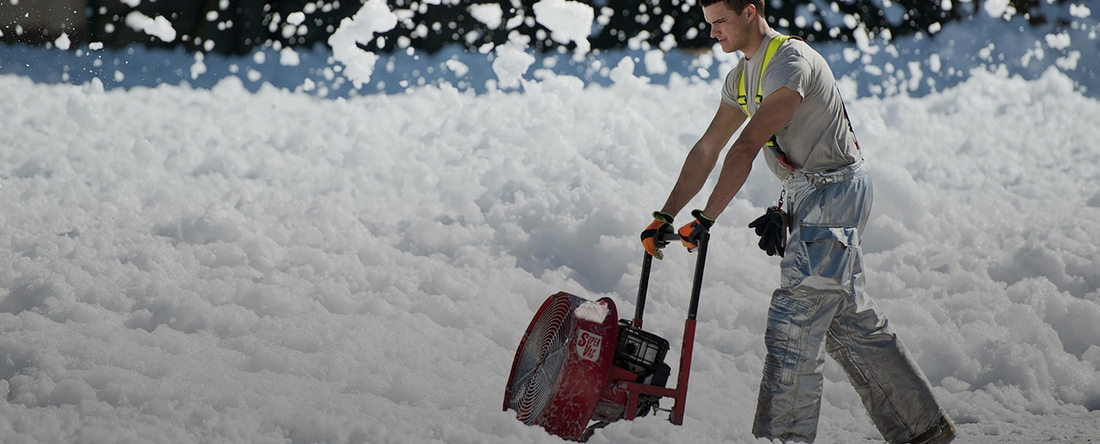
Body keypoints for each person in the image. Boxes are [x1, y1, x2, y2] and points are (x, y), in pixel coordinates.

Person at [638, 1, 956, 442]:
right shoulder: (740, 77)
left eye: (720, 22)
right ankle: (923, 428)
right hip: (808, 191)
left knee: (797, 319)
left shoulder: (790, 62)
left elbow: (747, 145)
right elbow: (708, 148)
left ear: (749, 12)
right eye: (709, 23)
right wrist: (665, 214)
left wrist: (706, 218)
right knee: (845, 318)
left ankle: (782, 438)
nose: (712, 33)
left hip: (835, 190)